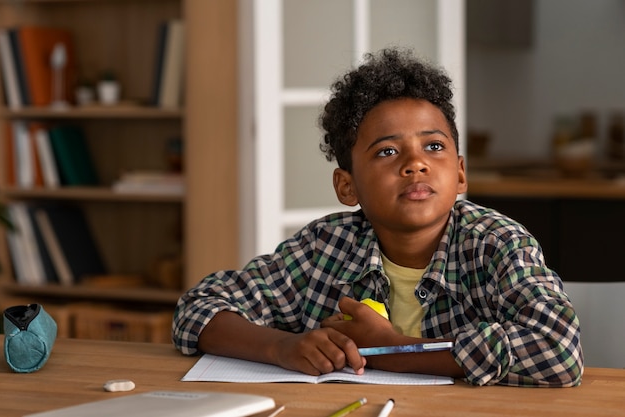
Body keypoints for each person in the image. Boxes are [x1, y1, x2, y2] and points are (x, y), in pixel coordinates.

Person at [173, 47, 583, 387]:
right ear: (347, 186)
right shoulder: (324, 248)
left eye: (434, 147)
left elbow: (559, 349)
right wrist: (281, 347)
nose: (415, 164)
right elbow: (199, 308)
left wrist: (395, 350)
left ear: (460, 173)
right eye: (387, 151)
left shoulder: (497, 244)